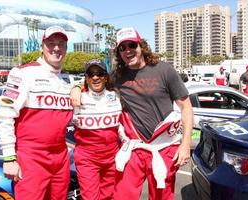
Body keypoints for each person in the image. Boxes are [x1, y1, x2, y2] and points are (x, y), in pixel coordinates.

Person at [71, 27, 194, 200]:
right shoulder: (118, 76)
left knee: (162, 197)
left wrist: (185, 144)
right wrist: (76, 88)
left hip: (164, 147)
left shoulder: (165, 70)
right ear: (119, 52)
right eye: (123, 48)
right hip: (133, 149)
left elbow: (186, 108)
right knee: (122, 196)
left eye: (132, 45)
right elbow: (94, 80)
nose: (128, 50)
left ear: (141, 46)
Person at [0, 25, 73, 200]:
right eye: (51, 43)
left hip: (61, 156)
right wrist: (9, 157)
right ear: (42, 47)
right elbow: (4, 115)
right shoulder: (23, 72)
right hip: (31, 156)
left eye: (61, 44)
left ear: (66, 49)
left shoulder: (67, 80)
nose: (56, 48)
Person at [72, 58, 126, 200]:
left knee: (109, 196)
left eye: (100, 73)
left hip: (112, 156)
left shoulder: (116, 95)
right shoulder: (76, 97)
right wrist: (75, 87)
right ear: (86, 78)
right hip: (87, 158)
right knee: (91, 197)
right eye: (91, 74)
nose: (95, 77)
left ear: (105, 77)